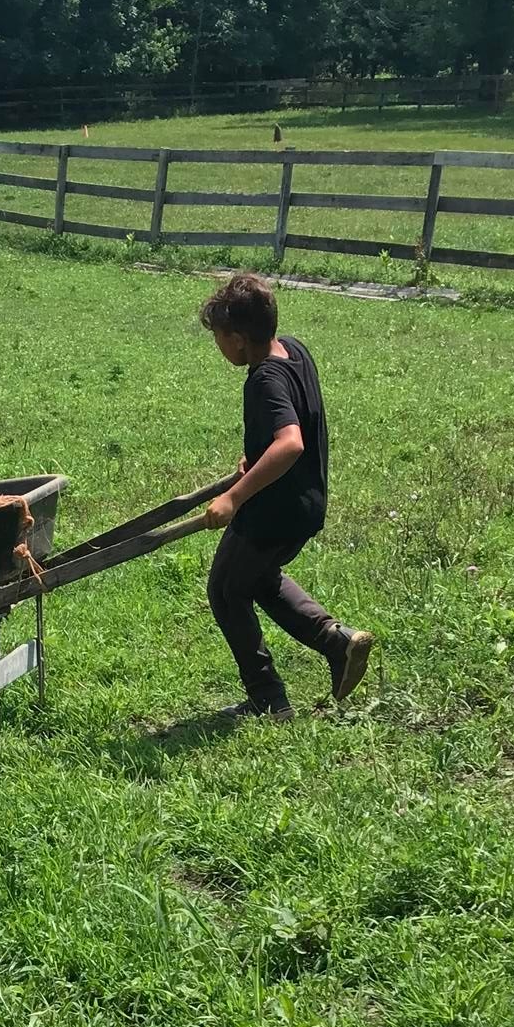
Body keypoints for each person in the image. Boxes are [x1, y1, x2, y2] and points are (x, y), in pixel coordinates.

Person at [197, 272, 372, 720]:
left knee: (225, 589)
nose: (219, 347)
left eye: (218, 337)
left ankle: (268, 700)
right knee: (257, 578)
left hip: (272, 511)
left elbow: (290, 441)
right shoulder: (292, 349)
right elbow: (289, 422)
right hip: (305, 504)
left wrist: (235, 496)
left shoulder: (263, 379)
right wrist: (254, 455)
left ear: (237, 339)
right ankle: (337, 641)